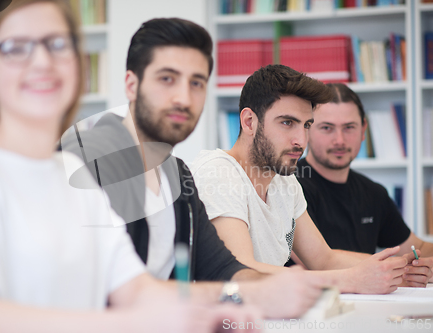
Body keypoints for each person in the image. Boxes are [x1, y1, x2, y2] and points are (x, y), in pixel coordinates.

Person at [0, 1, 258, 332]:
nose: (43, 61)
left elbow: (137, 290)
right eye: (16, 48)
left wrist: (229, 303)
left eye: (58, 45)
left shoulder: (71, 176)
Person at [61, 18, 329, 318]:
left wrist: (281, 289)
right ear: (131, 85)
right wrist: (250, 293)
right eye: (167, 79)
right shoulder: (84, 167)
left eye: (196, 83)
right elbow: (113, 295)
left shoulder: (178, 176)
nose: (184, 98)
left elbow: (223, 268)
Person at [190, 64, 420, 294]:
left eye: (307, 125)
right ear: (249, 122)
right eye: (287, 123)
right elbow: (239, 269)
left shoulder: (284, 181)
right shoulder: (217, 173)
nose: (301, 140)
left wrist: (399, 271)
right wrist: (350, 280)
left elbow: (323, 259)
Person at [295, 82, 433, 286]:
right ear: (306, 130)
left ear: (363, 130)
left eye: (349, 127)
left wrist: (425, 263)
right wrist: (400, 267)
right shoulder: (289, 186)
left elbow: (416, 247)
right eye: (327, 128)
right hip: (313, 309)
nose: (339, 140)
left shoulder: (373, 192)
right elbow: (317, 261)